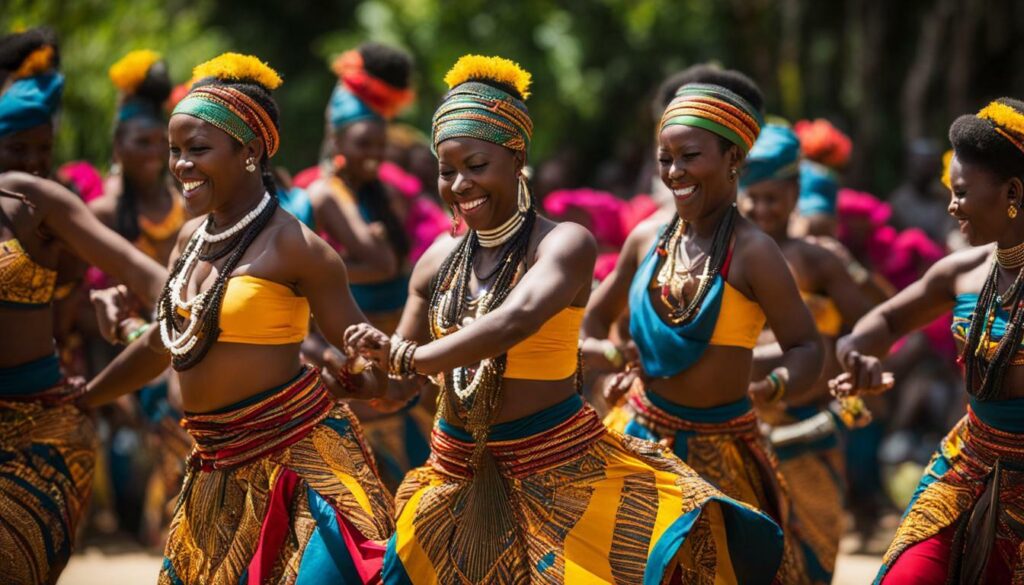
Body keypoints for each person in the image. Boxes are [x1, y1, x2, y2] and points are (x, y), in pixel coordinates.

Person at [343, 54, 784, 584]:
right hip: (453, 476)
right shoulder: (438, 259)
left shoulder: (563, 244)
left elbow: (517, 318)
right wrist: (356, 379)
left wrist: (415, 355)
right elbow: (397, 388)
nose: (459, 184)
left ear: (517, 156)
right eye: (446, 170)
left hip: (558, 473)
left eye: (476, 166)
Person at [81, 53, 395, 583]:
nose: (180, 165)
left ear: (250, 151)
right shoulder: (191, 238)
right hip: (213, 470)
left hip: (300, 469)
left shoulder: (300, 249)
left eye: (197, 150)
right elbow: (169, 341)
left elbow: (370, 373)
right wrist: (85, 397)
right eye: (175, 151)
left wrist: (362, 373)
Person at [585, 73, 824, 584]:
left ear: (733, 158)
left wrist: (774, 386)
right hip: (638, 436)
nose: (674, 171)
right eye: (665, 158)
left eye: (690, 156)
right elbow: (594, 319)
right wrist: (614, 359)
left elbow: (806, 346)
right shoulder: (646, 236)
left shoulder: (755, 252)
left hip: (723, 452)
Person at [0, 28, 168, 584]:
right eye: (16, 150)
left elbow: (161, 281)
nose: (33, 165)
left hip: (38, 435)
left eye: (43, 151)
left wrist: (145, 333)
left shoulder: (43, 203)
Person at [832, 98, 1024, 584]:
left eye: (960, 192)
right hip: (966, 465)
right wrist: (858, 359)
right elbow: (877, 326)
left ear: (1013, 192)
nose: (951, 205)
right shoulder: (960, 273)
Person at [739, 123, 872, 583]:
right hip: (739, 431)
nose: (760, 208)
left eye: (772, 198)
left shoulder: (817, 259)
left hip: (809, 428)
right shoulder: (725, 255)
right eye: (751, 197)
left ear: (796, 193)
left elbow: (869, 325)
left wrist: (851, 367)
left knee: (813, 555)